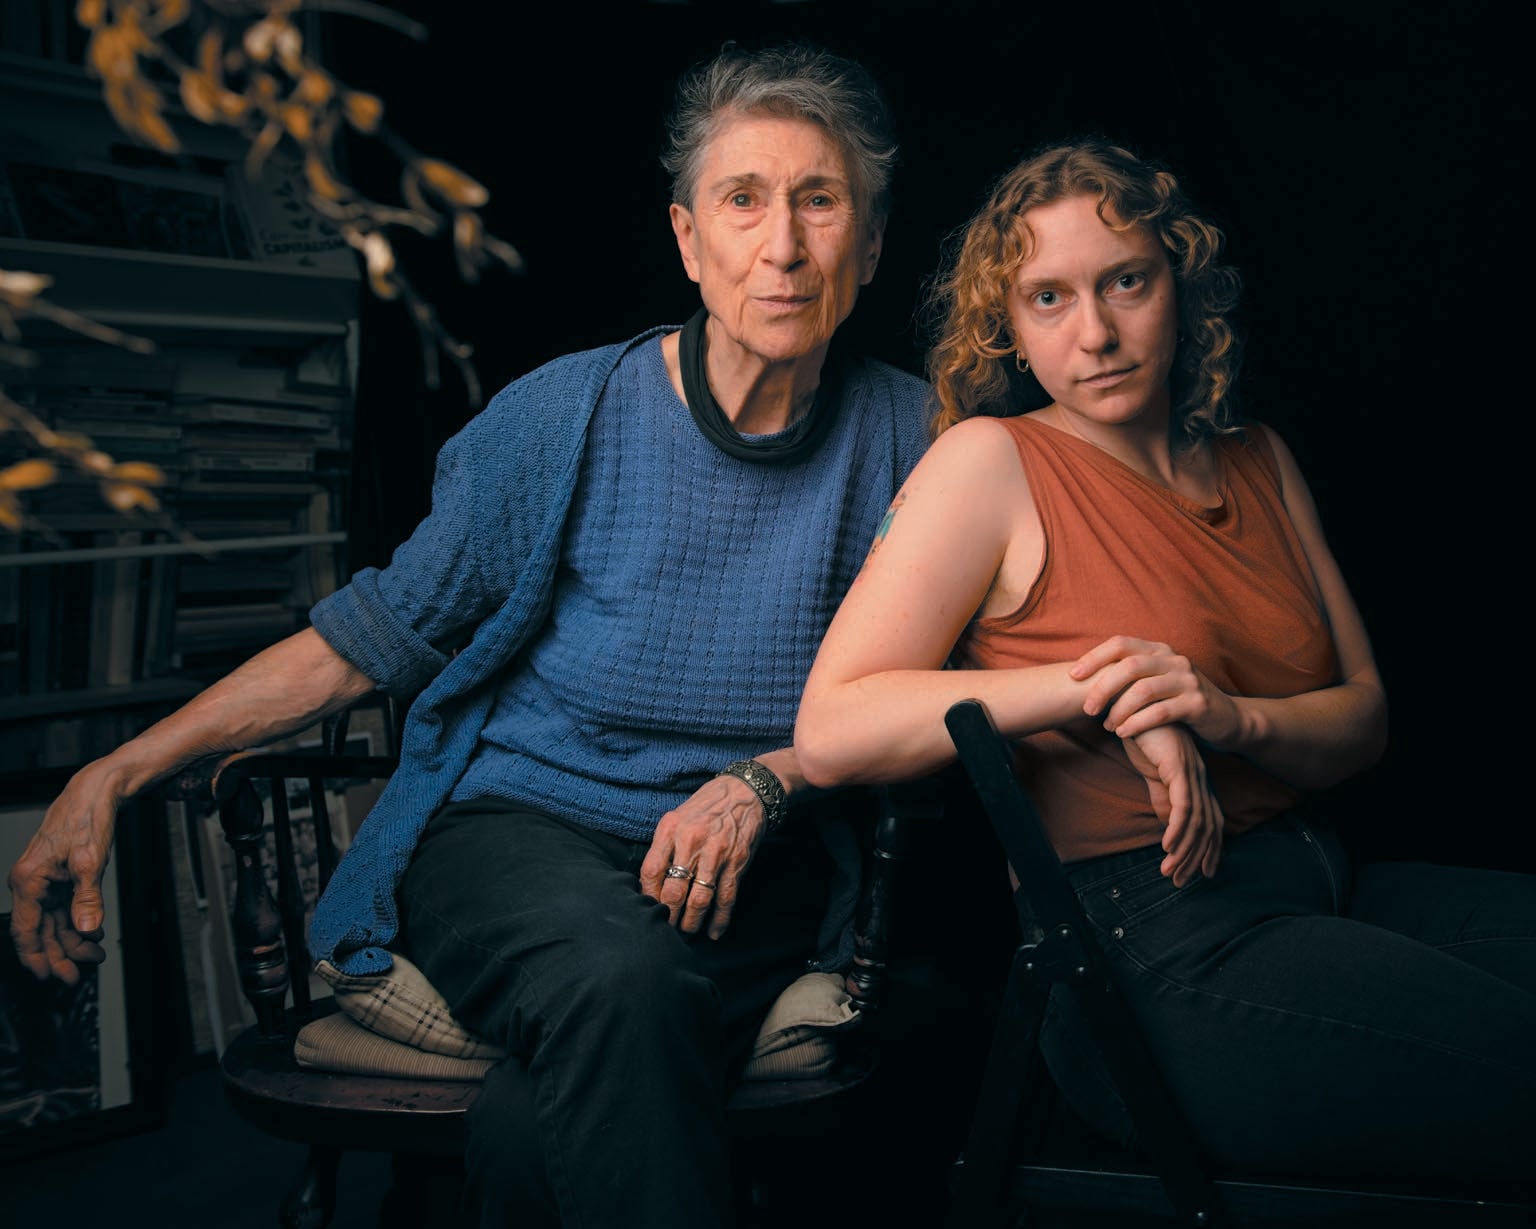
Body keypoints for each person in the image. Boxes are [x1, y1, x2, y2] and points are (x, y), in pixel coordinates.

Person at [8, 42, 931, 1226]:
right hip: (517, 836)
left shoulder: (919, 441)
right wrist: (117, 769)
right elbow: (367, 637)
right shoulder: (564, 416)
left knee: (531, 1109)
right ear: (689, 239)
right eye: (742, 201)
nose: (785, 245)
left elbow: (939, 698)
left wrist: (768, 780)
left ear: (871, 237)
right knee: (619, 979)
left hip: (757, 854)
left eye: (820, 199)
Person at [794, 138, 1536, 1183]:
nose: (1093, 332)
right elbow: (832, 727)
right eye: (1047, 298)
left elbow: (1361, 719)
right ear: (1008, 323)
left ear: (1178, 280)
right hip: (1154, 944)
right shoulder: (992, 463)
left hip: (1325, 880)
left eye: (1125, 282)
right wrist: (1109, 685)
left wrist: (1225, 714)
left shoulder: (1258, 456)